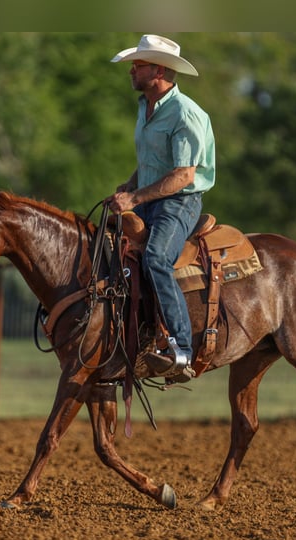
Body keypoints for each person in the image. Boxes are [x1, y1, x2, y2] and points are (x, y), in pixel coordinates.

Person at [106, 34, 216, 383]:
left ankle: (181, 349)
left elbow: (183, 175)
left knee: (155, 258)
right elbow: (155, 163)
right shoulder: (145, 107)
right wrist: (130, 184)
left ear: (159, 70)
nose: (132, 71)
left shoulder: (186, 113)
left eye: (138, 65)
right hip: (150, 198)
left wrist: (134, 199)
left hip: (179, 203)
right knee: (107, 254)